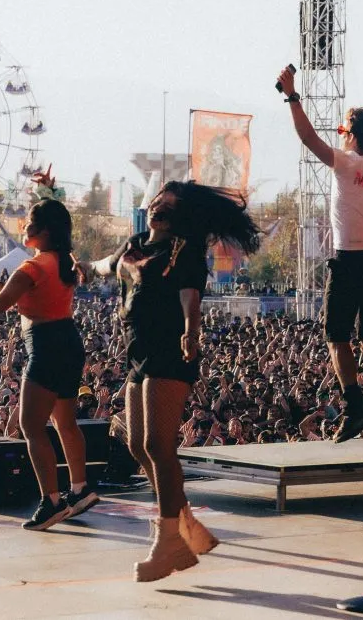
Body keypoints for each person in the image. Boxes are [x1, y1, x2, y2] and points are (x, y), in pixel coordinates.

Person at [78, 181, 261, 582]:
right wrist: (85, 268)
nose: (159, 208)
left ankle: (168, 541)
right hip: (136, 350)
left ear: (181, 216)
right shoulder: (136, 242)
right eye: (158, 202)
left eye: (169, 206)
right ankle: (185, 526)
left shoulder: (183, 248)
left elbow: (190, 297)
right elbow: (108, 265)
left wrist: (191, 332)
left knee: (158, 444)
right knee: (137, 444)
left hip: (168, 349)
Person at [275, 64, 363, 442]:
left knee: (336, 336)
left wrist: (292, 95)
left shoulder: (347, 163)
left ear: (350, 135)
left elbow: (307, 137)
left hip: (350, 259)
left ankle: (354, 406)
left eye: (343, 127)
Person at [0, 199, 97, 531]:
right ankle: (80, 489)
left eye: (28, 221)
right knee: (66, 422)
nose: (23, 226)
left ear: (42, 230)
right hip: (70, 342)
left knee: (30, 426)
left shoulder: (31, 268)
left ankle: (51, 502)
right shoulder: (64, 263)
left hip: (45, 346)